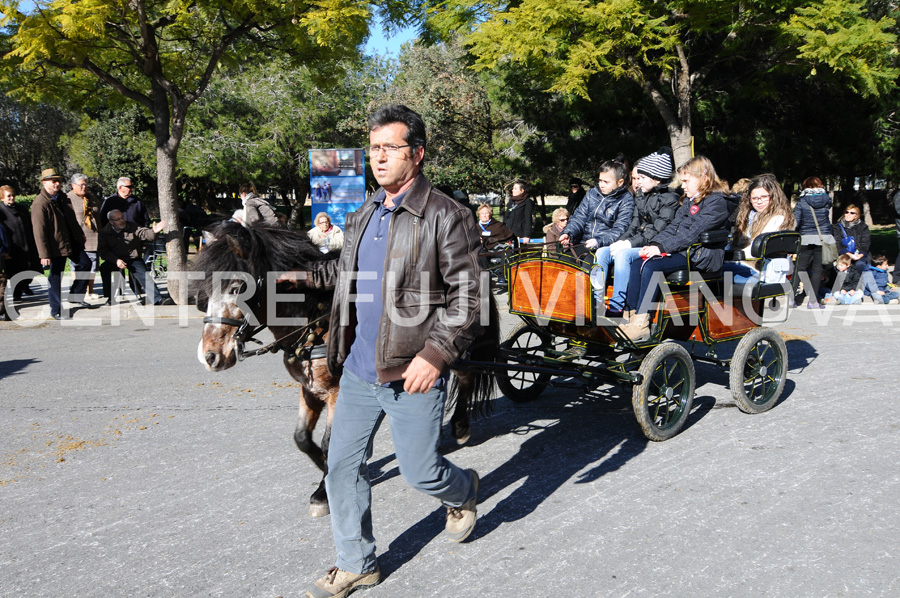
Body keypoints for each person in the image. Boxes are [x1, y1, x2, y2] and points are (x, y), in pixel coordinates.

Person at [296, 105, 483, 598]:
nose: (378, 158)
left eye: (390, 148)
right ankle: (357, 562)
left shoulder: (447, 215)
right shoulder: (363, 214)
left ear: (416, 154)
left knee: (421, 472)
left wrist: (437, 355)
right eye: (373, 148)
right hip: (358, 370)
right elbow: (344, 273)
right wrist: (300, 276)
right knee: (341, 467)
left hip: (413, 370)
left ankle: (463, 489)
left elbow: (469, 296)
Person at [620, 155, 732, 341]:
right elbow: (673, 227)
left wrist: (662, 247)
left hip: (701, 255)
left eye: (687, 181)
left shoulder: (717, 202)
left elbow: (693, 233)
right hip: (684, 250)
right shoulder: (689, 201)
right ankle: (630, 319)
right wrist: (654, 245)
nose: (683, 186)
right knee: (637, 262)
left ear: (704, 177)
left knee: (651, 266)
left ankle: (641, 324)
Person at [593, 149, 679, 318]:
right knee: (603, 252)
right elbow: (634, 225)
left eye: (642, 178)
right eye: (636, 178)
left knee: (623, 255)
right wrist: (620, 241)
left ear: (657, 179)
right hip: (639, 241)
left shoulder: (670, 199)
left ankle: (617, 305)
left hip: (653, 245)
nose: (637, 182)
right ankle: (597, 303)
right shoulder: (642, 196)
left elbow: (657, 230)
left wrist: (629, 244)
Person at [31, 169, 91, 319]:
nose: (57, 184)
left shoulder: (63, 198)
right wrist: (44, 254)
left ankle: (76, 295)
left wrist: (79, 234)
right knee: (55, 277)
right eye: (53, 181)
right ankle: (56, 309)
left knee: (86, 263)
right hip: (55, 245)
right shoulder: (40, 203)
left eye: (58, 181)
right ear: (44, 183)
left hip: (71, 241)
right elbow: (39, 231)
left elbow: (72, 220)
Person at [722, 173, 797, 284]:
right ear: (749, 199)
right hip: (744, 263)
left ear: (773, 196)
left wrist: (732, 255)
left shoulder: (779, 218)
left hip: (762, 269)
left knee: (711, 275)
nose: (759, 201)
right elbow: (734, 243)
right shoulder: (749, 216)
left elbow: (757, 248)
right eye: (755, 198)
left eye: (764, 197)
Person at [558, 157, 635, 257]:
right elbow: (579, 217)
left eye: (606, 182)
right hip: (583, 243)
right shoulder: (592, 193)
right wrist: (568, 233)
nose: (601, 185)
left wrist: (598, 241)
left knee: (587, 268)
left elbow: (620, 229)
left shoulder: (626, 200)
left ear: (620, 182)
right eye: (600, 180)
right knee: (562, 264)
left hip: (605, 248)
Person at [98, 209, 170, 305]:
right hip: (115, 259)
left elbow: (144, 233)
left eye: (122, 217)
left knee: (143, 274)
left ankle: (157, 299)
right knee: (104, 268)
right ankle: (110, 297)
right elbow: (103, 251)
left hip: (133, 257)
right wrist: (116, 260)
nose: (122, 221)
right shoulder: (104, 232)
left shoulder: (132, 226)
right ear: (111, 222)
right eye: (118, 219)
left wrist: (153, 232)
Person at [793, 176, 835, 309]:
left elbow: (796, 221)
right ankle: (813, 301)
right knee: (817, 269)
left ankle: (791, 299)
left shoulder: (802, 201)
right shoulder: (827, 199)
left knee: (799, 268)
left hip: (805, 238)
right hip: (823, 238)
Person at [0, 184, 40, 301]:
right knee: (14, 271)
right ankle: (17, 292)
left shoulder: (21, 209)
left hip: (27, 243)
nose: (12, 198)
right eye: (9, 196)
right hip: (13, 247)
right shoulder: (1, 212)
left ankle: (25, 285)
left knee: (30, 268)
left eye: (13, 195)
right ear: (2, 198)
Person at [67, 174, 102, 297]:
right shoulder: (68, 199)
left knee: (93, 264)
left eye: (86, 184)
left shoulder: (91, 198)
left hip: (93, 236)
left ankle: (90, 290)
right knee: (78, 265)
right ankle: (79, 290)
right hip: (78, 237)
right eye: (81, 184)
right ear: (73, 186)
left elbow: (98, 215)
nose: (84, 187)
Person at [832, 203, 870, 273]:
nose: (848, 214)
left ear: (856, 216)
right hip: (843, 254)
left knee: (860, 264)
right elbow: (837, 244)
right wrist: (849, 254)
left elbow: (865, 243)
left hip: (859, 253)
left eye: (852, 213)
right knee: (841, 266)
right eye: (847, 212)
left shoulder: (863, 227)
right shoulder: (837, 227)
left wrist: (860, 255)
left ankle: (861, 282)